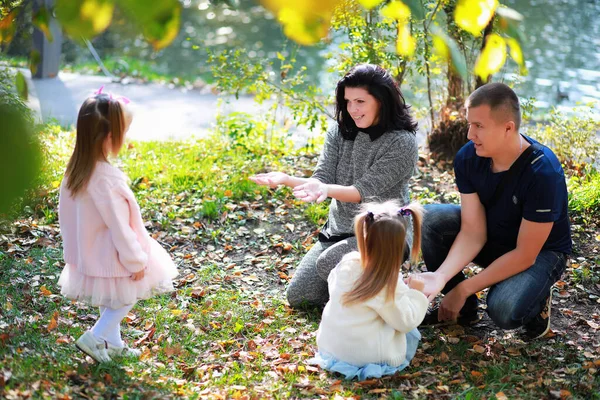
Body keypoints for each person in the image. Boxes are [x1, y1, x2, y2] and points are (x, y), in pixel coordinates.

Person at [250, 64, 419, 308]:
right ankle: (365, 289)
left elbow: (361, 191)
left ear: (382, 100)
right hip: (339, 231)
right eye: (348, 101)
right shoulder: (340, 131)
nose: (353, 110)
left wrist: (326, 190)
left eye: (360, 101)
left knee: (329, 263)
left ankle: (391, 291)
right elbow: (322, 177)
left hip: (384, 234)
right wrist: (287, 179)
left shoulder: (402, 142)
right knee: (300, 297)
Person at [418, 82, 572, 339]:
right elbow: (472, 232)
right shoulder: (469, 157)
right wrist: (442, 278)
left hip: (539, 252)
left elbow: (524, 255)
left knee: (503, 310)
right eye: (469, 124)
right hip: (495, 234)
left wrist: (466, 286)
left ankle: (537, 297)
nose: (469, 134)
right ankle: (461, 309)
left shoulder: (543, 173)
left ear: (507, 128)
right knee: (430, 219)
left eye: (479, 126)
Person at [58, 89, 178, 362]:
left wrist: (73, 252)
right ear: (110, 137)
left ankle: (112, 341)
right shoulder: (106, 179)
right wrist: (136, 261)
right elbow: (120, 227)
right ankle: (96, 335)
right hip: (111, 252)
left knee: (110, 297)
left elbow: (66, 217)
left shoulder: (75, 171)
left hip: (88, 253)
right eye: (125, 131)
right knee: (125, 297)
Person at [308, 201, 428, 380]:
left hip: (330, 347)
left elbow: (334, 285)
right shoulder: (386, 283)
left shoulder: (347, 263)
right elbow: (406, 321)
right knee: (407, 330)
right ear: (398, 250)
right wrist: (416, 294)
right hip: (368, 358)